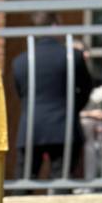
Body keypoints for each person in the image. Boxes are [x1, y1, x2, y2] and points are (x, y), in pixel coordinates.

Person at [12, 11, 93, 183]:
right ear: (55, 26)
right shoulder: (73, 57)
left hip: (31, 128)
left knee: (24, 183)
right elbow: (86, 89)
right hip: (64, 128)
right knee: (62, 183)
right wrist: (71, 109)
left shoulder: (20, 61)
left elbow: (21, 94)